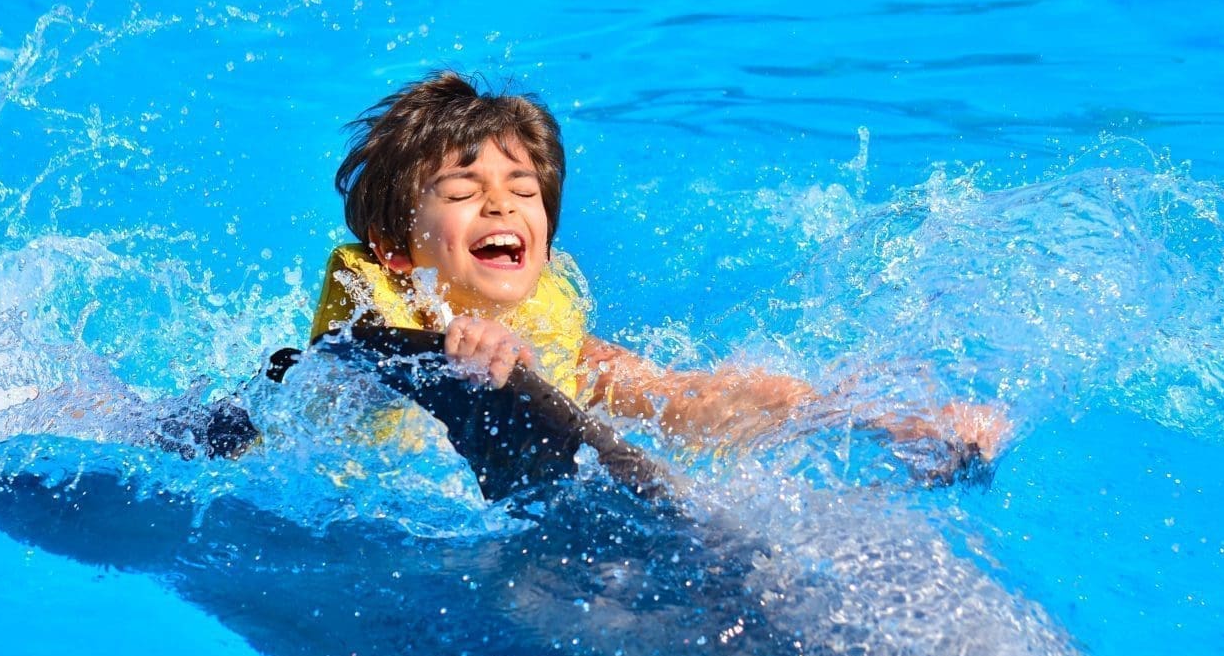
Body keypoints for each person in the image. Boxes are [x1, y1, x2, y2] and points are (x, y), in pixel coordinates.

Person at [310, 71, 1006, 465]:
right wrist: (448, 356)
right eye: (463, 194)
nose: (502, 205)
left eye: (525, 192)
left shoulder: (554, 333)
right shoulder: (368, 330)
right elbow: (343, 393)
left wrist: (878, 416)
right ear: (396, 248)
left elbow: (687, 398)